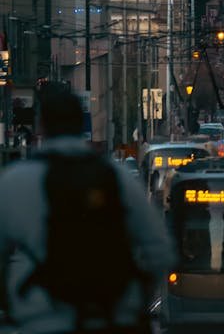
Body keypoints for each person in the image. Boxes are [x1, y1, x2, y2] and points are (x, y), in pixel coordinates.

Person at [0, 85, 175, 334]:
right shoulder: (117, 177)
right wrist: (135, 299)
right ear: (81, 124)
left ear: (41, 127)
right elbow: (160, 250)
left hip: (41, 320)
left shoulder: (14, 182)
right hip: (112, 317)